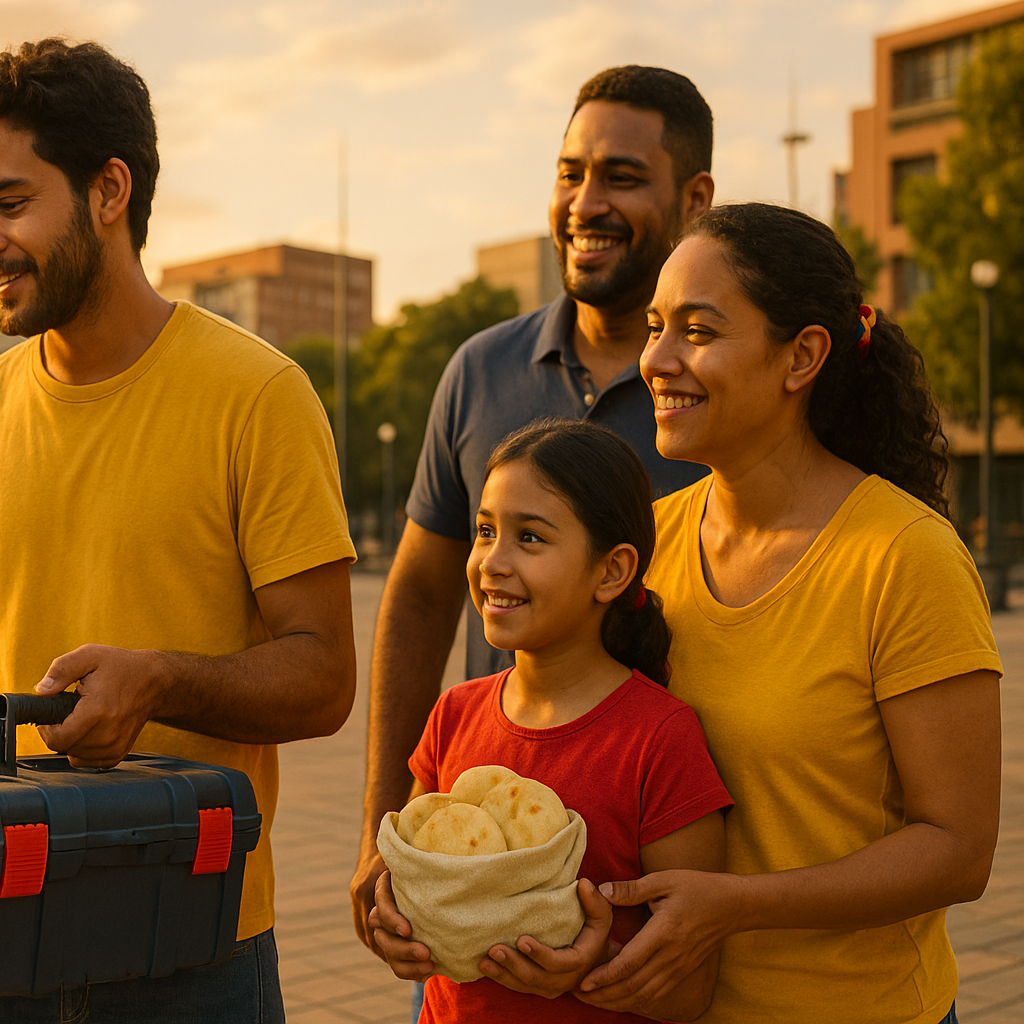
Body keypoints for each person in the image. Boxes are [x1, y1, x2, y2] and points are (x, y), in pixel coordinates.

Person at [0, 39, 357, 1023]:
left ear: (110, 191)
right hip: (0, 921)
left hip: (193, 935)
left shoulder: (259, 395)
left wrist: (159, 680)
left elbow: (324, 678)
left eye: (11, 202)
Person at [575, 202, 1001, 1023]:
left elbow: (958, 849)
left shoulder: (905, 556)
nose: (656, 359)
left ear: (802, 356)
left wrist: (735, 904)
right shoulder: (646, 544)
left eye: (697, 331)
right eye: (657, 326)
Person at [352, 65, 717, 952]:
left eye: (622, 177)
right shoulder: (478, 369)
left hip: (657, 845)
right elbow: (420, 598)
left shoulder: (717, 386)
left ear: (695, 198)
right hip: (482, 863)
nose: (585, 202)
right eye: (569, 172)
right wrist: (379, 830)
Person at [368, 420, 732, 1023]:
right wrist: (393, 919)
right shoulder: (453, 715)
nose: (492, 562)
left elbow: (690, 992)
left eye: (530, 538)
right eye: (485, 531)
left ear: (612, 571)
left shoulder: (659, 738)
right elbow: (414, 876)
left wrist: (583, 969)